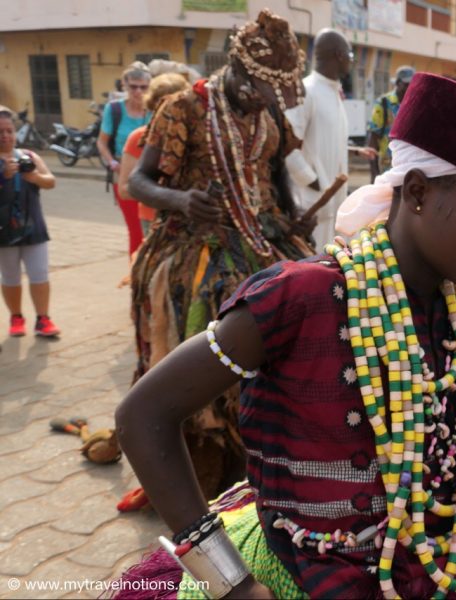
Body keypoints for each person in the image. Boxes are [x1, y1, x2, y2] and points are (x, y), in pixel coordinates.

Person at [115, 73, 456, 600]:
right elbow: (144, 414)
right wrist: (228, 584)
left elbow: (446, 350)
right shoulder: (300, 297)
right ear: (416, 192)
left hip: (436, 565)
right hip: (307, 568)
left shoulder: (455, 311)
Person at [126, 9, 311, 501]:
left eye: (270, 94)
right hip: (199, 240)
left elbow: (277, 176)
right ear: (236, 68)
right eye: (255, 87)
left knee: (310, 304)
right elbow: (137, 181)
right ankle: (201, 463)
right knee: (219, 318)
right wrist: (181, 199)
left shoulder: (267, 109)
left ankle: (276, 457)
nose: (262, 100)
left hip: (266, 235)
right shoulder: (185, 108)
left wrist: (294, 222)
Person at [285, 29, 377, 249]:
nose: (351, 62)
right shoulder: (307, 91)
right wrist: (311, 180)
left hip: (335, 207)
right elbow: (287, 145)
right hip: (312, 207)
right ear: (338, 55)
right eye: (350, 56)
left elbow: (323, 140)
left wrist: (354, 151)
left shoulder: (333, 93)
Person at [0, 108, 59, 338]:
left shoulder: (29, 156)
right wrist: (4, 178)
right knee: (10, 276)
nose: (5, 136)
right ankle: (16, 317)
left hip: (33, 226)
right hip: (4, 230)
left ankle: (43, 318)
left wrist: (33, 176)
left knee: (39, 273)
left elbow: (50, 181)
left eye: (9, 131)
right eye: (0, 132)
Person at [118, 72, 191, 236]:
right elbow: (124, 189)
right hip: (154, 218)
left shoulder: (197, 136)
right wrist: (170, 196)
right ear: (154, 106)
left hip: (190, 217)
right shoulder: (139, 137)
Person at [97, 62, 152, 258]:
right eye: (133, 86)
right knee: (136, 231)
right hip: (124, 173)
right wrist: (112, 162)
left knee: (154, 231)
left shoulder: (154, 109)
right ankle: (135, 276)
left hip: (150, 174)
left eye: (143, 87)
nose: (138, 91)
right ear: (124, 86)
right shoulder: (114, 110)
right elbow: (102, 142)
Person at [367, 65, 416, 182]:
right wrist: (374, 174)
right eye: (407, 84)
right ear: (398, 83)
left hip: (410, 167)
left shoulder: (414, 104)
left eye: (414, 84)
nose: (411, 88)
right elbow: (373, 140)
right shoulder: (383, 103)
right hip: (387, 168)